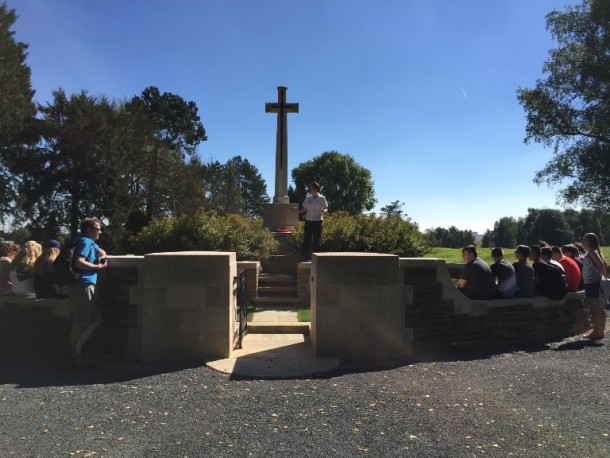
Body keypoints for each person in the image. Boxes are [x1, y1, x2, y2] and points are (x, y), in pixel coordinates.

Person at [69, 217, 108, 368]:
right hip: (83, 285)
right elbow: (79, 261)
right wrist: (97, 267)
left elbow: (101, 251)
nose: (100, 232)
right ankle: (75, 352)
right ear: (89, 230)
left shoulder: (83, 240)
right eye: (98, 229)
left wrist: (102, 256)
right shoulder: (85, 241)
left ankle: (75, 351)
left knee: (91, 319)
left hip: (81, 285)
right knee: (82, 321)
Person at [581, 233, 607, 341]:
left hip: (592, 283)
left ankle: (596, 332)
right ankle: (600, 331)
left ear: (589, 241)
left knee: (595, 309)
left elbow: (600, 264)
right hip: (595, 282)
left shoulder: (591, 251)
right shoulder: (596, 250)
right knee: (600, 308)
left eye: (584, 239)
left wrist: (597, 275)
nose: (582, 241)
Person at [295, 182, 328, 261]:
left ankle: (316, 259)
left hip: (318, 222)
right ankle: (304, 258)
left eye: (311, 188)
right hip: (308, 222)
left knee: (317, 241)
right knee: (307, 240)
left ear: (316, 189)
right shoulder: (307, 198)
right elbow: (304, 209)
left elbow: (326, 208)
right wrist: (297, 211)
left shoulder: (322, 198)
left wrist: (324, 210)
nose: (309, 190)